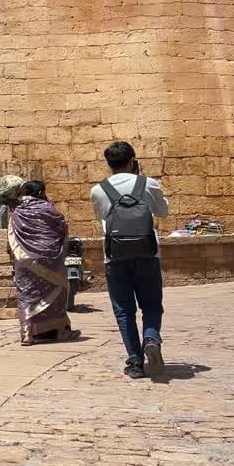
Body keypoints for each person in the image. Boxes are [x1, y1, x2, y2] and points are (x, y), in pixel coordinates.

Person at [91, 141, 169, 379]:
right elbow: (163, 212)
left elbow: (101, 218)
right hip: (148, 255)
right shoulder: (149, 184)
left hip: (114, 257)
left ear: (109, 164)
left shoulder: (98, 190)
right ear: (132, 160)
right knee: (152, 305)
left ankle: (135, 361)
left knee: (124, 311)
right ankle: (151, 337)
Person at [9, 180, 81, 345]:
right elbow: (61, 226)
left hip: (25, 260)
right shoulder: (47, 209)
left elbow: (12, 237)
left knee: (27, 295)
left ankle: (27, 334)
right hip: (50, 259)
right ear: (41, 192)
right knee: (57, 293)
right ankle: (61, 332)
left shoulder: (16, 212)